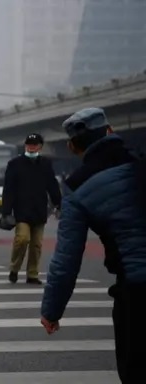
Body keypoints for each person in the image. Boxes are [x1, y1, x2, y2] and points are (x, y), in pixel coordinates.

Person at [40, 107, 146, 384]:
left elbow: (66, 260)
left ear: (72, 146)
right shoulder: (140, 162)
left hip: (138, 294)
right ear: (110, 131)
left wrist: (52, 311)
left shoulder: (77, 187)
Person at [1, 133, 62, 285]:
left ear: (40, 146)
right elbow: (8, 189)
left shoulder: (45, 164)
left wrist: (59, 204)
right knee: (22, 239)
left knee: (36, 245)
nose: (31, 146)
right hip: (21, 210)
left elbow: (52, 185)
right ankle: (14, 269)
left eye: (34, 144)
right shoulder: (15, 164)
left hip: (40, 210)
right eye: (29, 144)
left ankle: (32, 274)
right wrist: (6, 211)